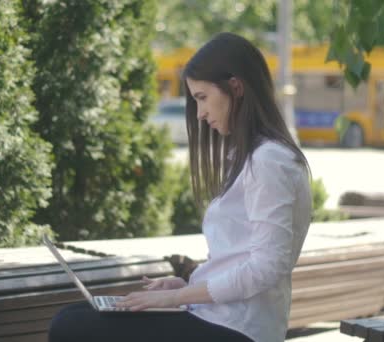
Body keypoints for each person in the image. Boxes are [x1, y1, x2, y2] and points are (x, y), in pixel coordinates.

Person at [48, 32, 312, 342]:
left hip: (239, 329)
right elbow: (239, 255)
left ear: (236, 87)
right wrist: (188, 286)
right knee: (73, 316)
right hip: (218, 317)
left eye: (202, 97)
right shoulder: (251, 156)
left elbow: (267, 267)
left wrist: (172, 300)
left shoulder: (269, 160)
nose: (199, 114)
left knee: (71, 328)